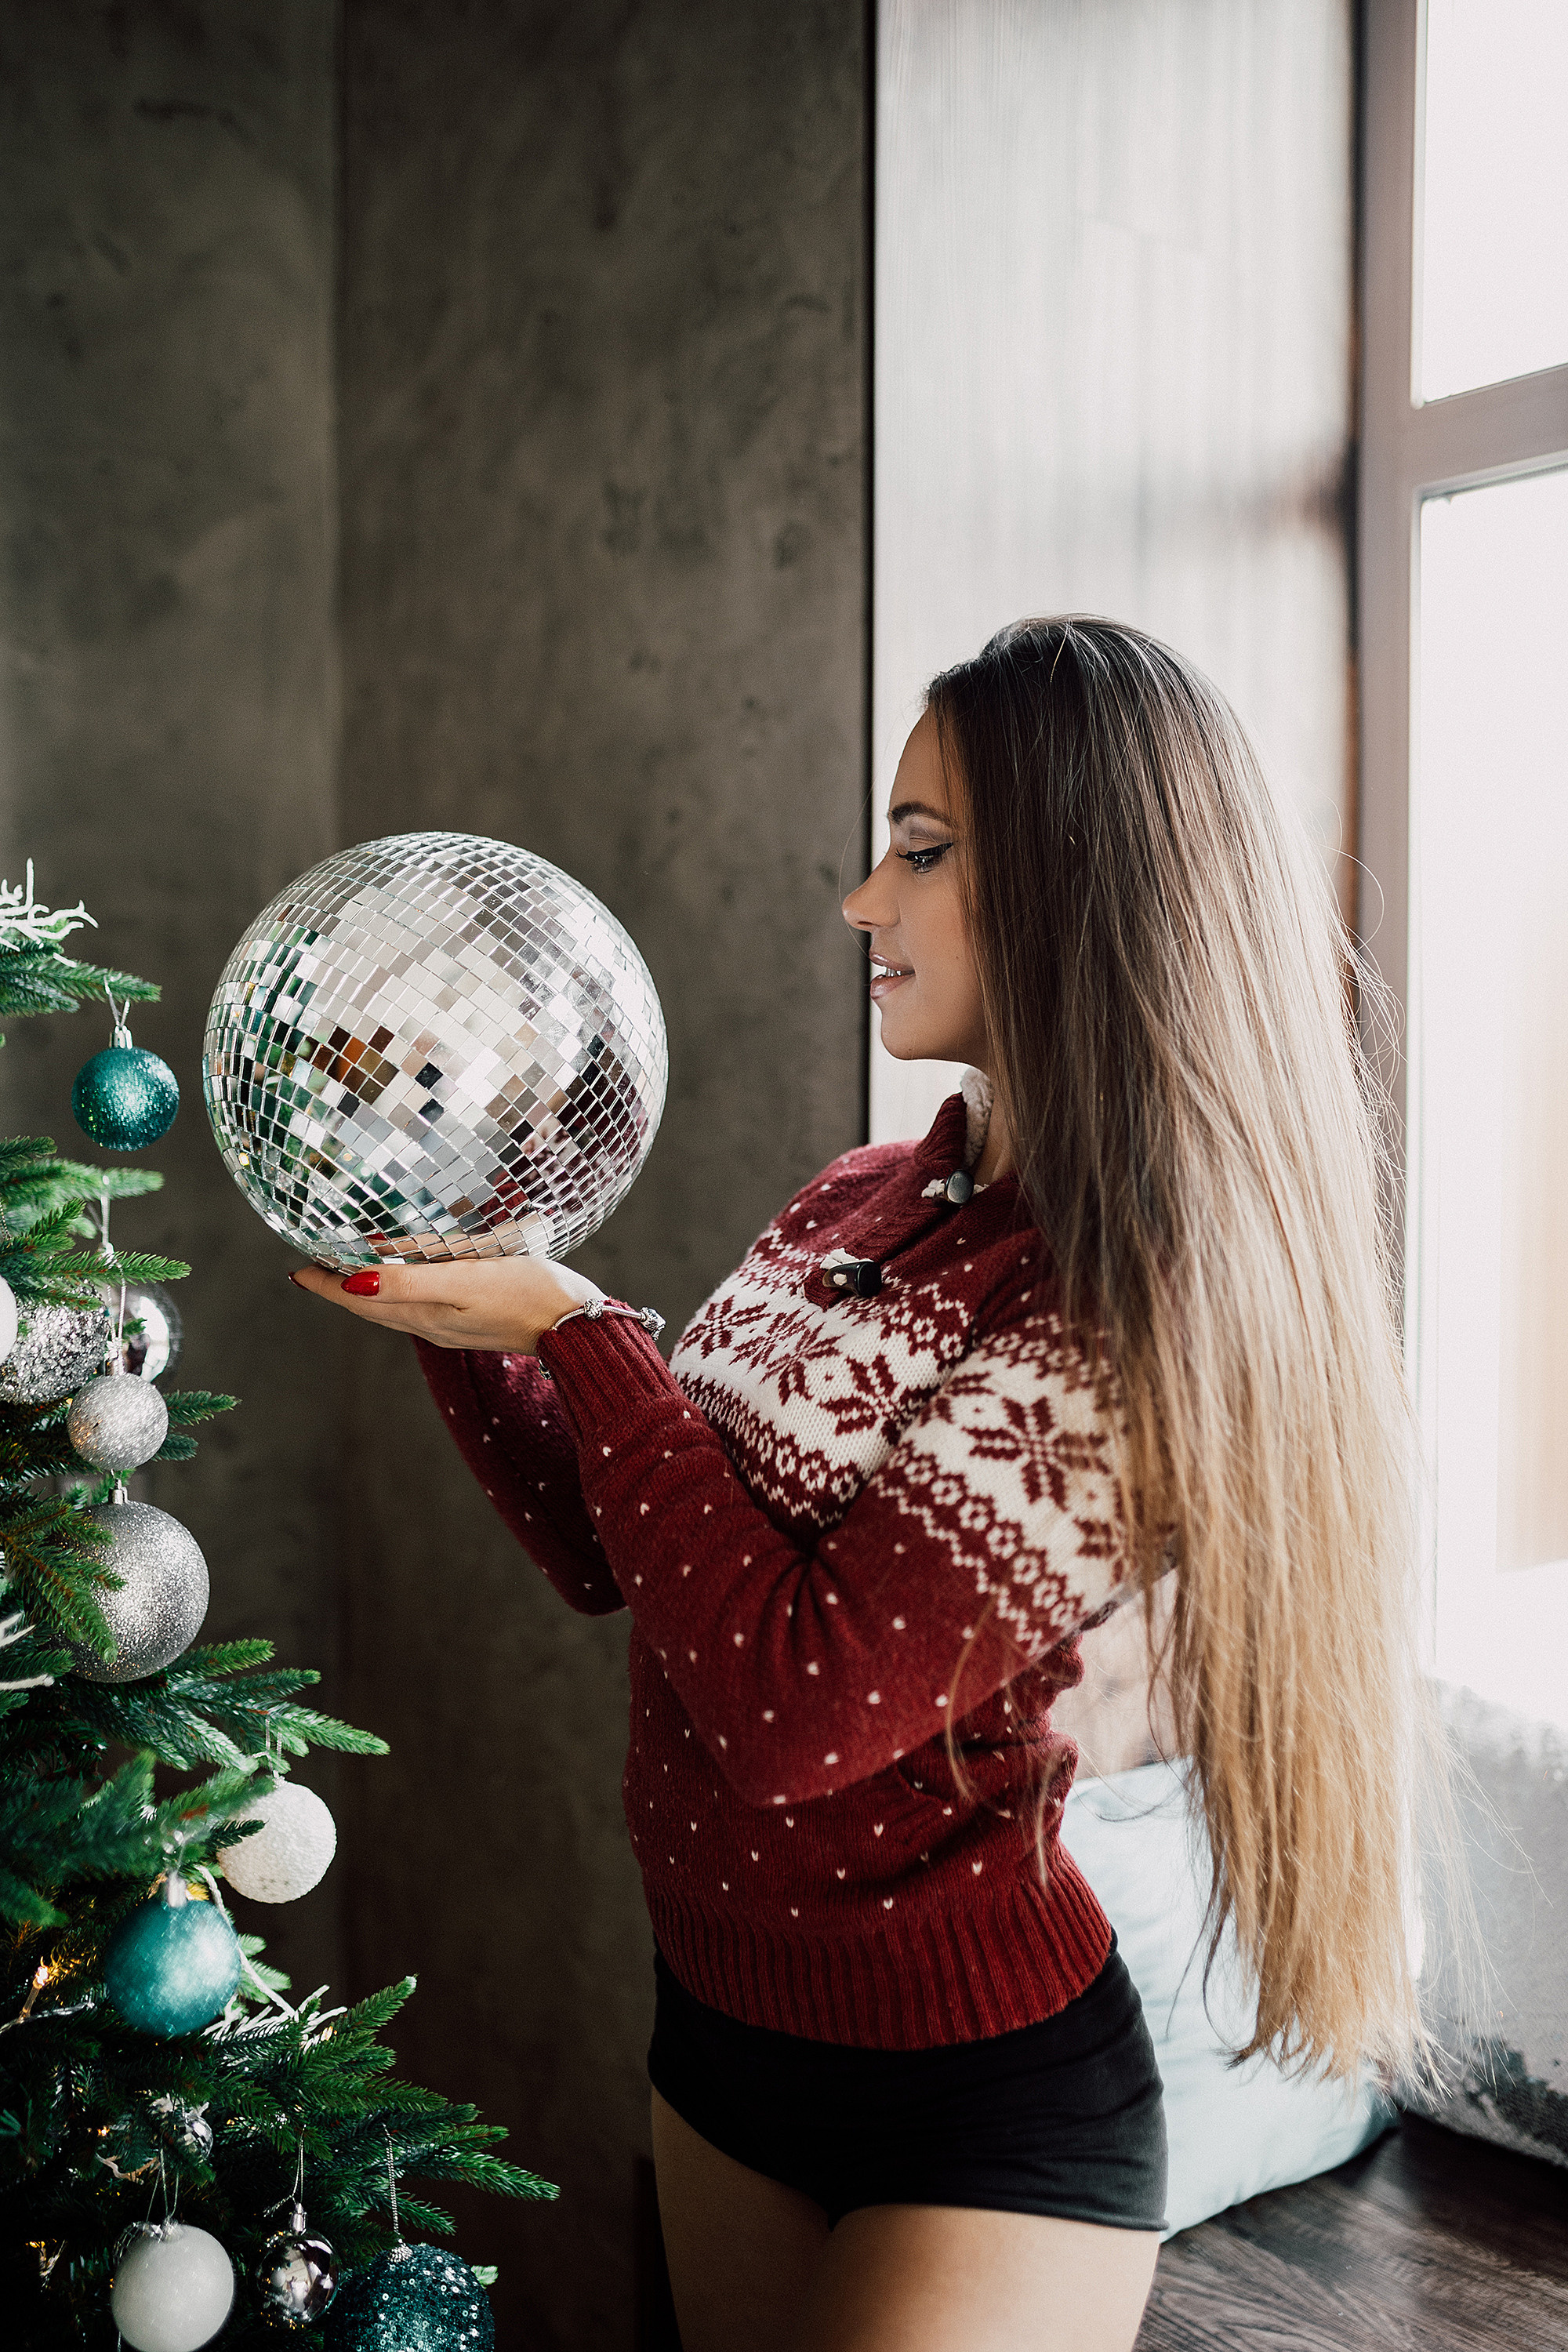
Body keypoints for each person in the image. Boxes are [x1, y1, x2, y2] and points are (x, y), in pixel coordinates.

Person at [292, 618, 1431, 2352]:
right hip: (721, 2039)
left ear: (1079, 886)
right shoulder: (861, 1196)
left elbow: (785, 1705)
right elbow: (629, 1558)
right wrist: (468, 1299)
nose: (857, 903)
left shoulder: (1128, 1315)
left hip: (978, 2113)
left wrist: (580, 1326)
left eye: (918, 852)